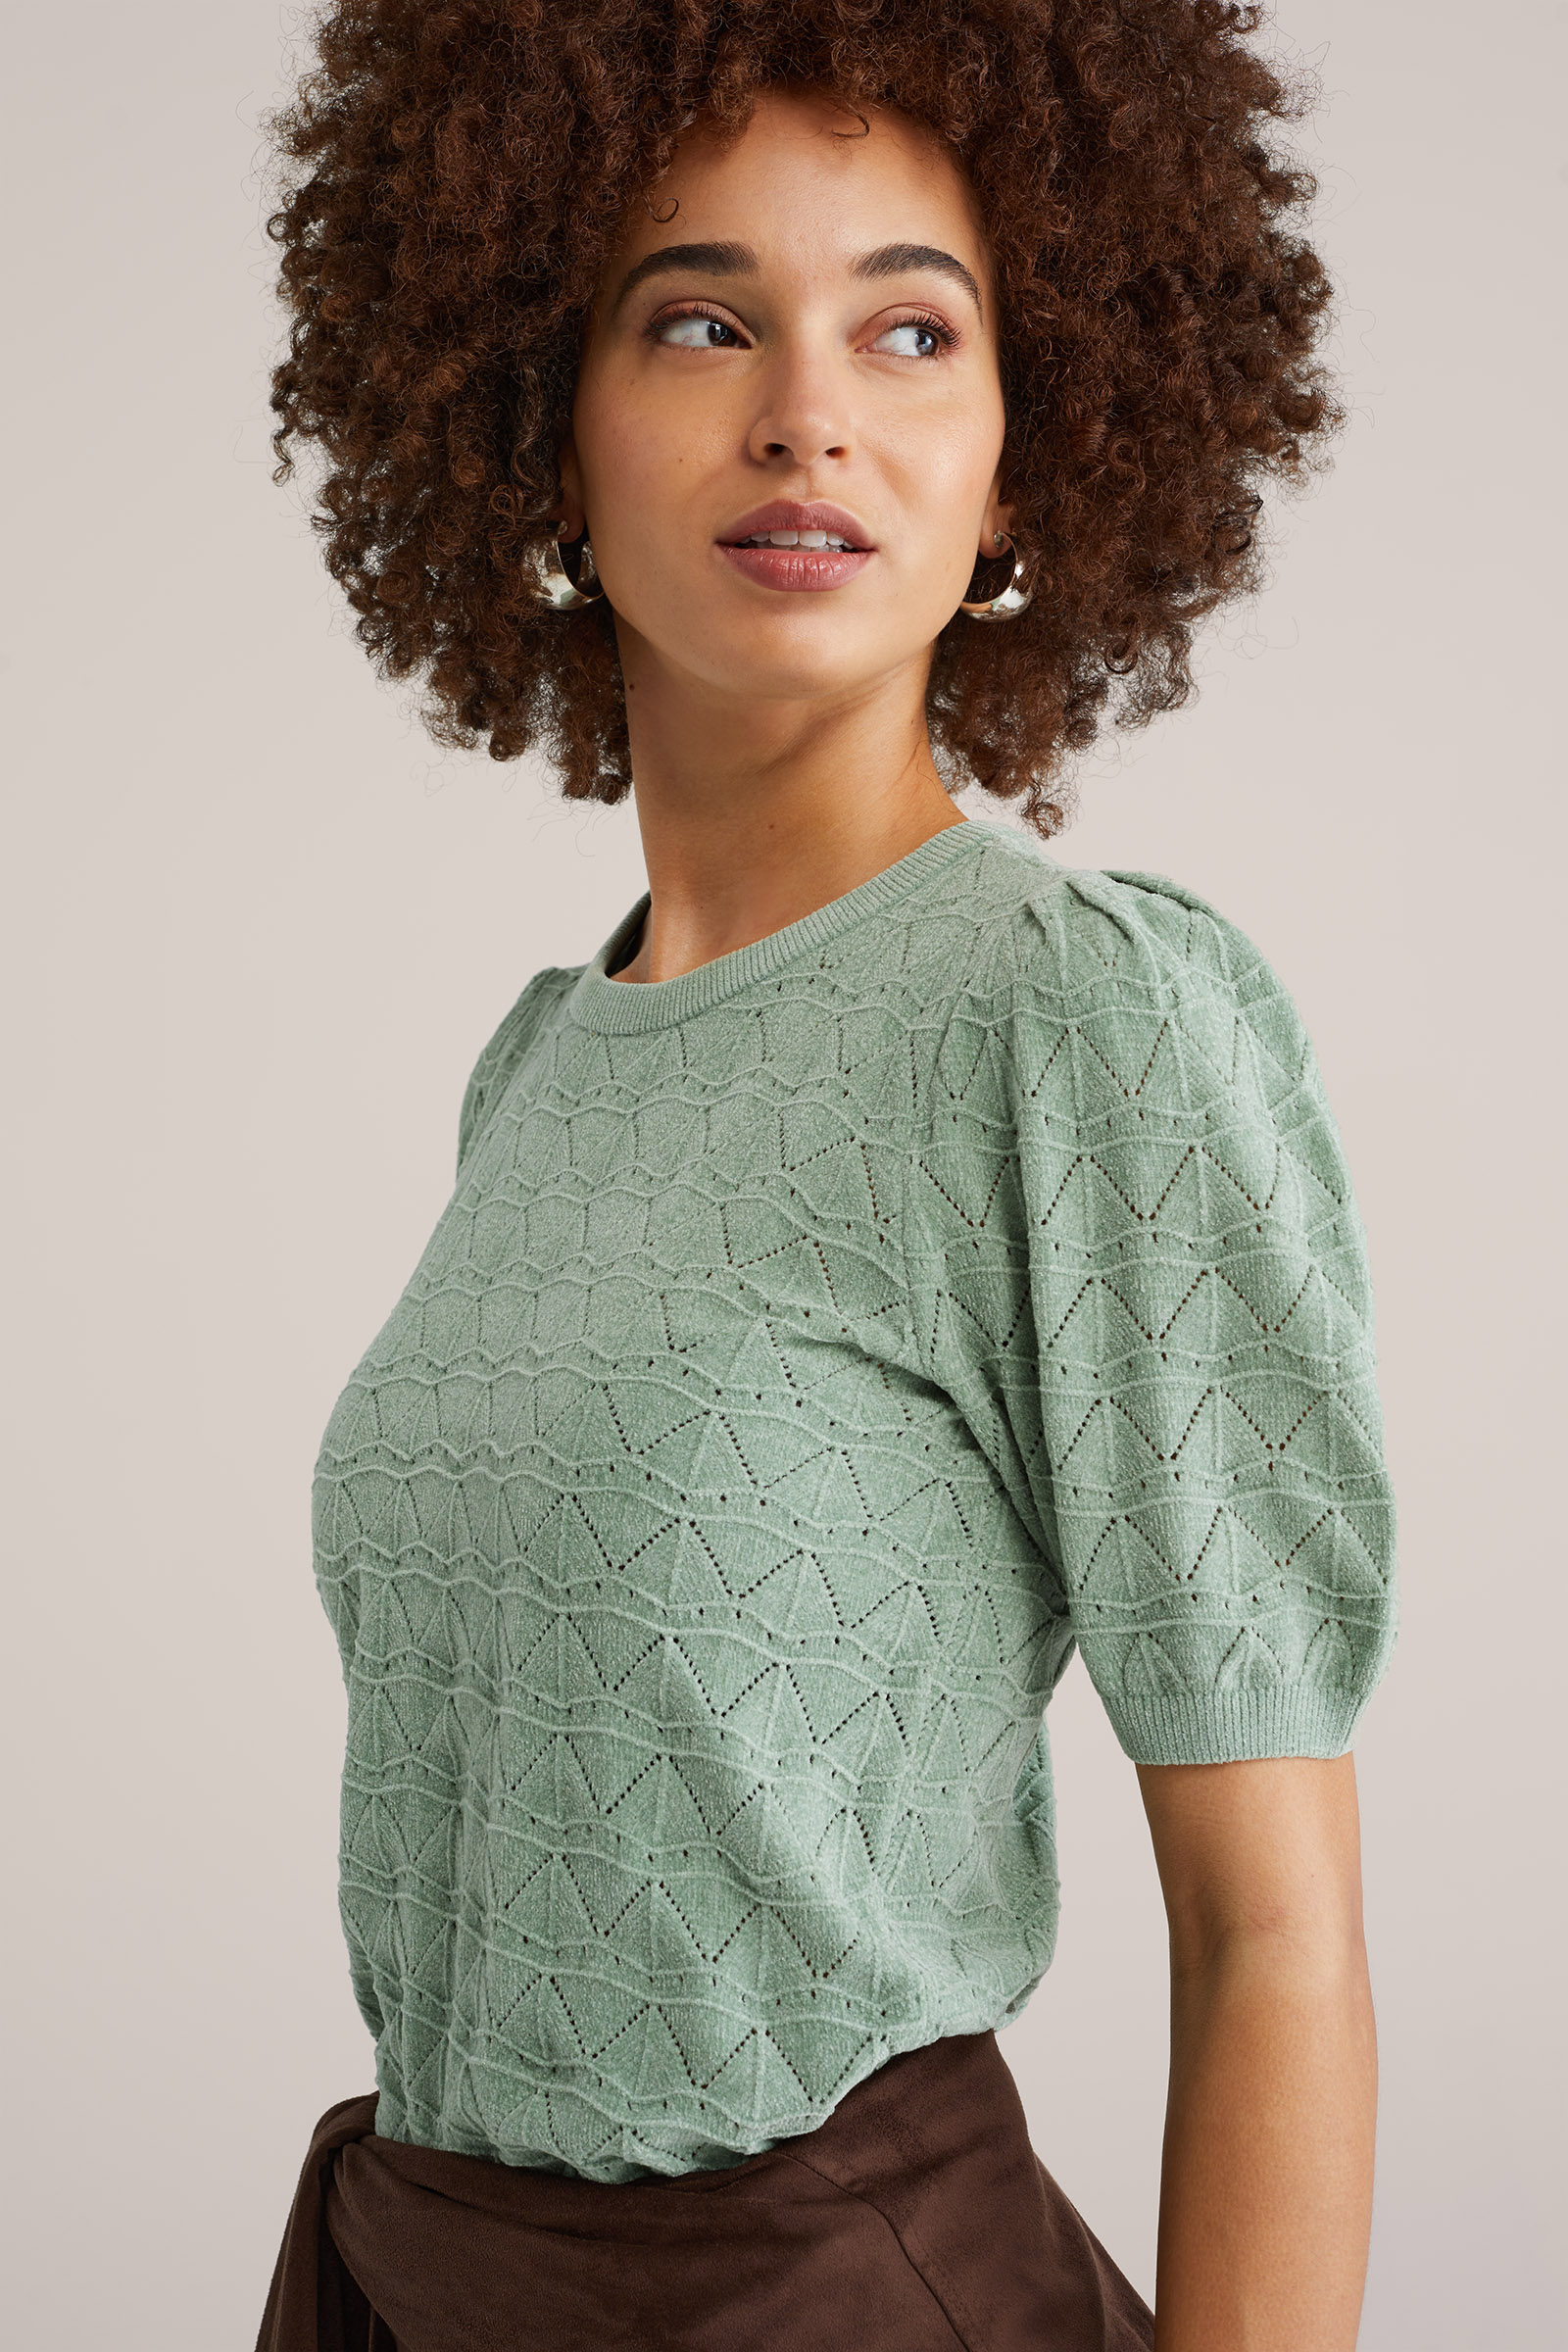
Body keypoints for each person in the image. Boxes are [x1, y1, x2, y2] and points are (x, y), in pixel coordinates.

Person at [255, 6, 1398, 2347]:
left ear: (1021, 457)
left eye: (907, 329)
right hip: (427, 2281)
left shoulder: (1073, 1016)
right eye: (700, 322)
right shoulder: (543, 1064)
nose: (806, 414)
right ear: (541, 429)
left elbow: (1269, 1935)